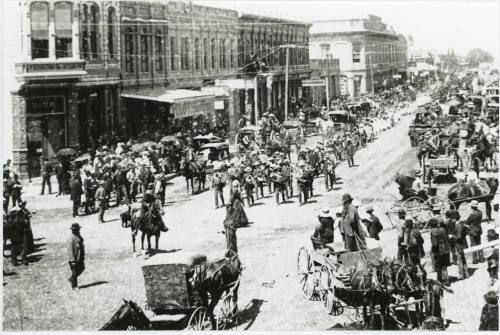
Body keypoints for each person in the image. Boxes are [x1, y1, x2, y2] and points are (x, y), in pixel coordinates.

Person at [430, 218, 451, 286]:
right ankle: (447, 280)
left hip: (439, 251)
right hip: (446, 250)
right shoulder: (444, 229)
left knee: (438, 267)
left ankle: (439, 280)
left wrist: (433, 251)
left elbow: (435, 244)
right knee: (444, 266)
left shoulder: (433, 231)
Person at [67, 223, 85, 290]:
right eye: (76, 230)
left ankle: (71, 278)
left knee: (82, 268)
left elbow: (82, 240)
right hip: (74, 259)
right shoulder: (71, 239)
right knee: (74, 272)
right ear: (73, 230)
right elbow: (70, 251)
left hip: (79, 257)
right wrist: (72, 261)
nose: (78, 230)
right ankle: (74, 286)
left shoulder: (78, 236)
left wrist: (79, 235)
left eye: (78, 229)